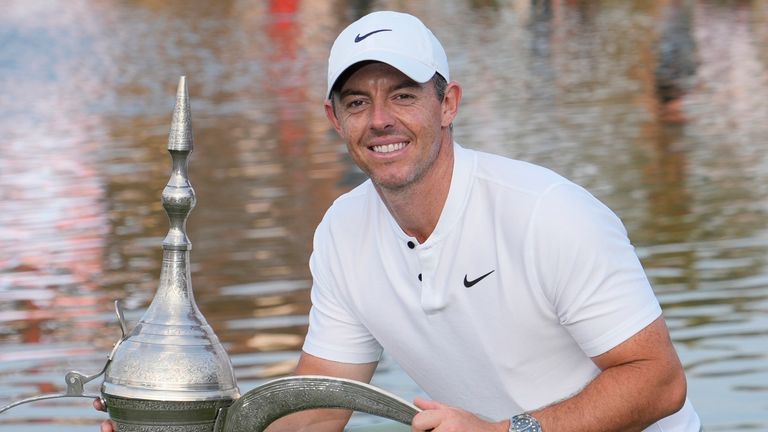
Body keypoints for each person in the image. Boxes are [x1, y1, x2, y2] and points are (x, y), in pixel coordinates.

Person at [97, 10, 701, 432]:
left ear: (450, 104)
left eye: (404, 95)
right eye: (357, 102)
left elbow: (658, 382)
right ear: (334, 120)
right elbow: (317, 412)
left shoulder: (548, 213)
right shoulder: (341, 230)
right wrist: (175, 421)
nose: (380, 119)